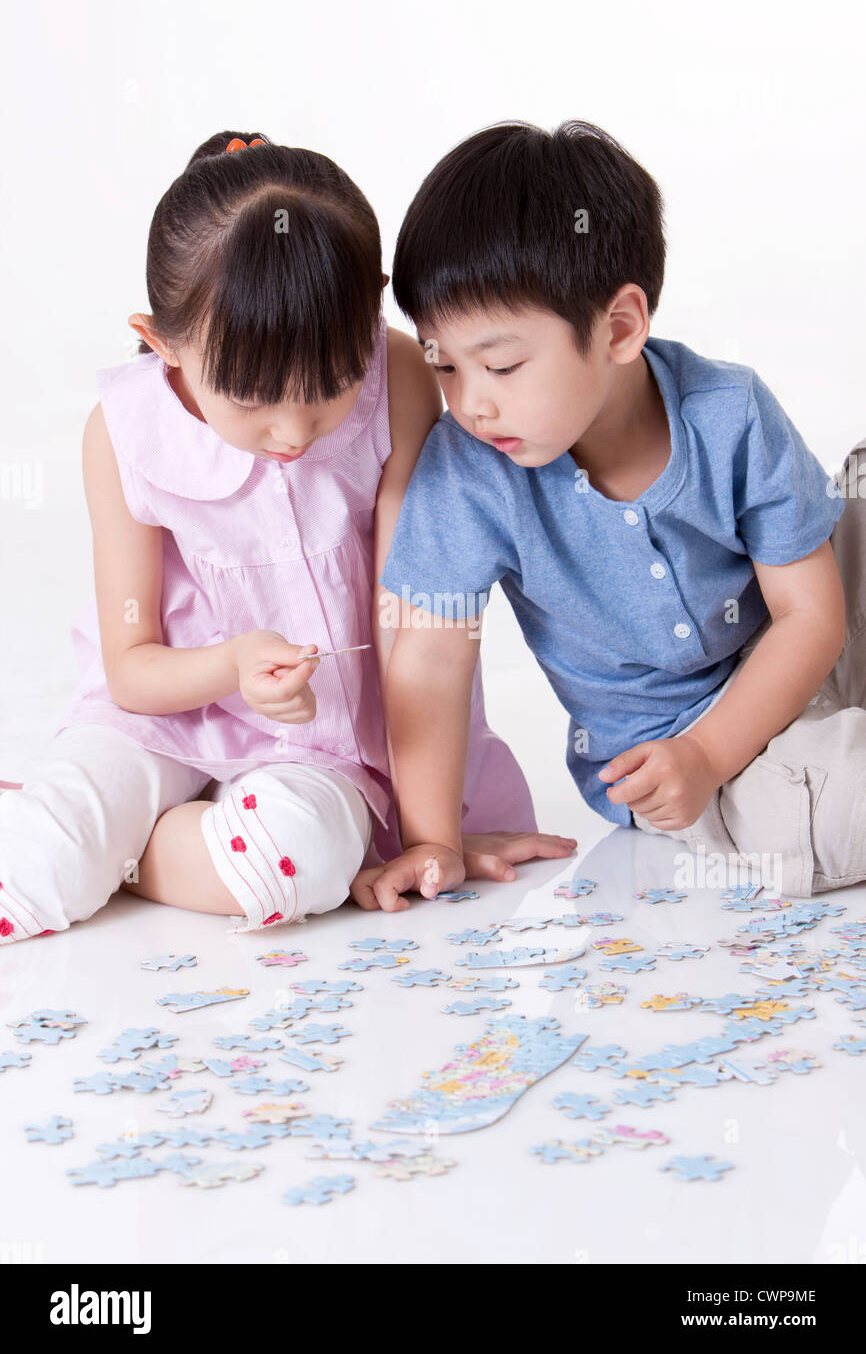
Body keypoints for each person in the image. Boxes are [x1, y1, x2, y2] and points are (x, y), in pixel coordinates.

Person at [0, 130, 575, 946]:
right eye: (253, 397)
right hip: (159, 716)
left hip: (322, 741)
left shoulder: (401, 374)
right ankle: (89, 827)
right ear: (162, 343)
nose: (294, 430)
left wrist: (426, 836)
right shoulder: (122, 430)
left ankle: (121, 842)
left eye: (331, 385)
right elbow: (130, 670)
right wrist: (231, 667)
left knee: (300, 862)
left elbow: (412, 617)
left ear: (369, 312)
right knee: (32, 876)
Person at [363, 118, 866, 905]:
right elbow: (429, 660)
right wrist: (431, 838)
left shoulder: (726, 410)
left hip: (817, 640)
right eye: (444, 365)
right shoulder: (467, 475)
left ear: (620, 328)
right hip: (682, 759)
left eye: (499, 364)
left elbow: (812, 616)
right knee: (820, 816)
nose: (471, 403)